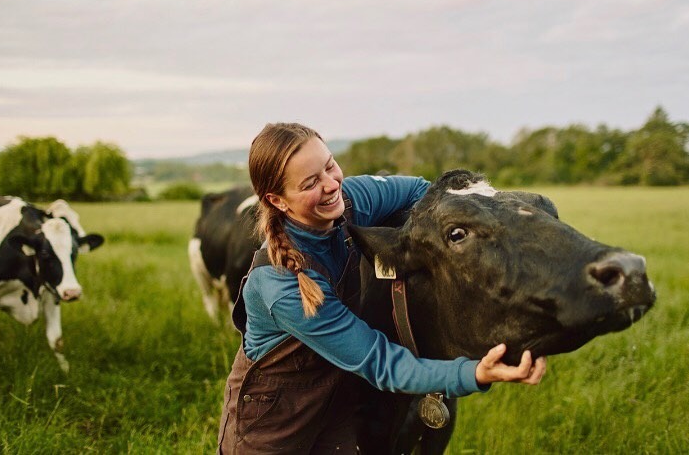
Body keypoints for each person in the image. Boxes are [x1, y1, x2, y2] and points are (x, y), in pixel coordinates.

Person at [217, 122, 547, 454]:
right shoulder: (281, 284)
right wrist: (475, 372)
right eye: (311, 183)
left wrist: (478, 221)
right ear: (278, 200)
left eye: (330, 165)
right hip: (273, 422)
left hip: (335, 405)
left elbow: (425, 192)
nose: (332, 184)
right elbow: (379, 361)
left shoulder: (348, 200)